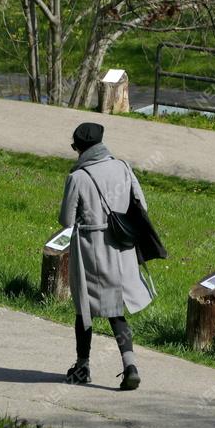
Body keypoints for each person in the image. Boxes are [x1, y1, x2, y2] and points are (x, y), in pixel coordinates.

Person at [58, 122, 154, 390]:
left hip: (92, 251)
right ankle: (130, 366)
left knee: (85, 310)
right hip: (122, 249)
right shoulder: (123, 167)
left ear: (80, 148)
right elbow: (142, 205)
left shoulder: (77, 177)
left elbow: (66, 220)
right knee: (116, 312)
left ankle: (82, 366)